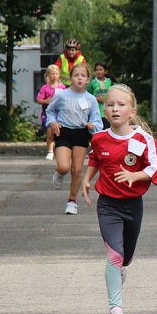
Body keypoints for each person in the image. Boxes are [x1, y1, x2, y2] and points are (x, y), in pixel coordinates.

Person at [84, 84, 157, 314]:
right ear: (104, 111)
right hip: (108, 205)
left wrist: (134, 176)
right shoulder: (98, 139)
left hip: (133, 206)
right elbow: (96, 157)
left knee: (126, 257)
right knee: (114, 256)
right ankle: (115, 310)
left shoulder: (143, 139)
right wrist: (87, 179)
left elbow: (154, 167)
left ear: (132, 110)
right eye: (110, 105)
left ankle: (120, 271)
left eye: (121, 104)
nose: (115, 108)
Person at [45, 62, 102, 215]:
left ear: (88, 80)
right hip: (64, 132)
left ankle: (72, 201)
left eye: (83, 76)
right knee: (64, 167)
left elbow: (98, 120)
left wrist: (93, 125)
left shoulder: (91, 99)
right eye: (76, 75)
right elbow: (50, 111)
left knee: (77, 170)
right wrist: (53, 122)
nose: (79, 78)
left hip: (81, 133)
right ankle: (59, 173)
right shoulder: (61, 95)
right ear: (70, 79)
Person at [34, 64, 66, 160]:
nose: (54, 76)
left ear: (59, 75)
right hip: (47, 114)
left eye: (56, 73)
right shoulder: (45, 88)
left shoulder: (62, 87)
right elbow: (39, 100)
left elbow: (67, 99)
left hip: (60, 114)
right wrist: (46, 101)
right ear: (48, 75)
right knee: (50, 132)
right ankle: (50, 151)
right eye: (52, 74)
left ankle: (60, 151)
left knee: (60, 133)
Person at [87, 62, 113, 129]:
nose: (98, 72)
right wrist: (96, 98)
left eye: (100, 69)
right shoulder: (92, 83)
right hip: (96, 111)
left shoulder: (109, 81)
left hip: (107, 111)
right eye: (97, 70)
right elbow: (88, 96)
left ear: (105, 71)